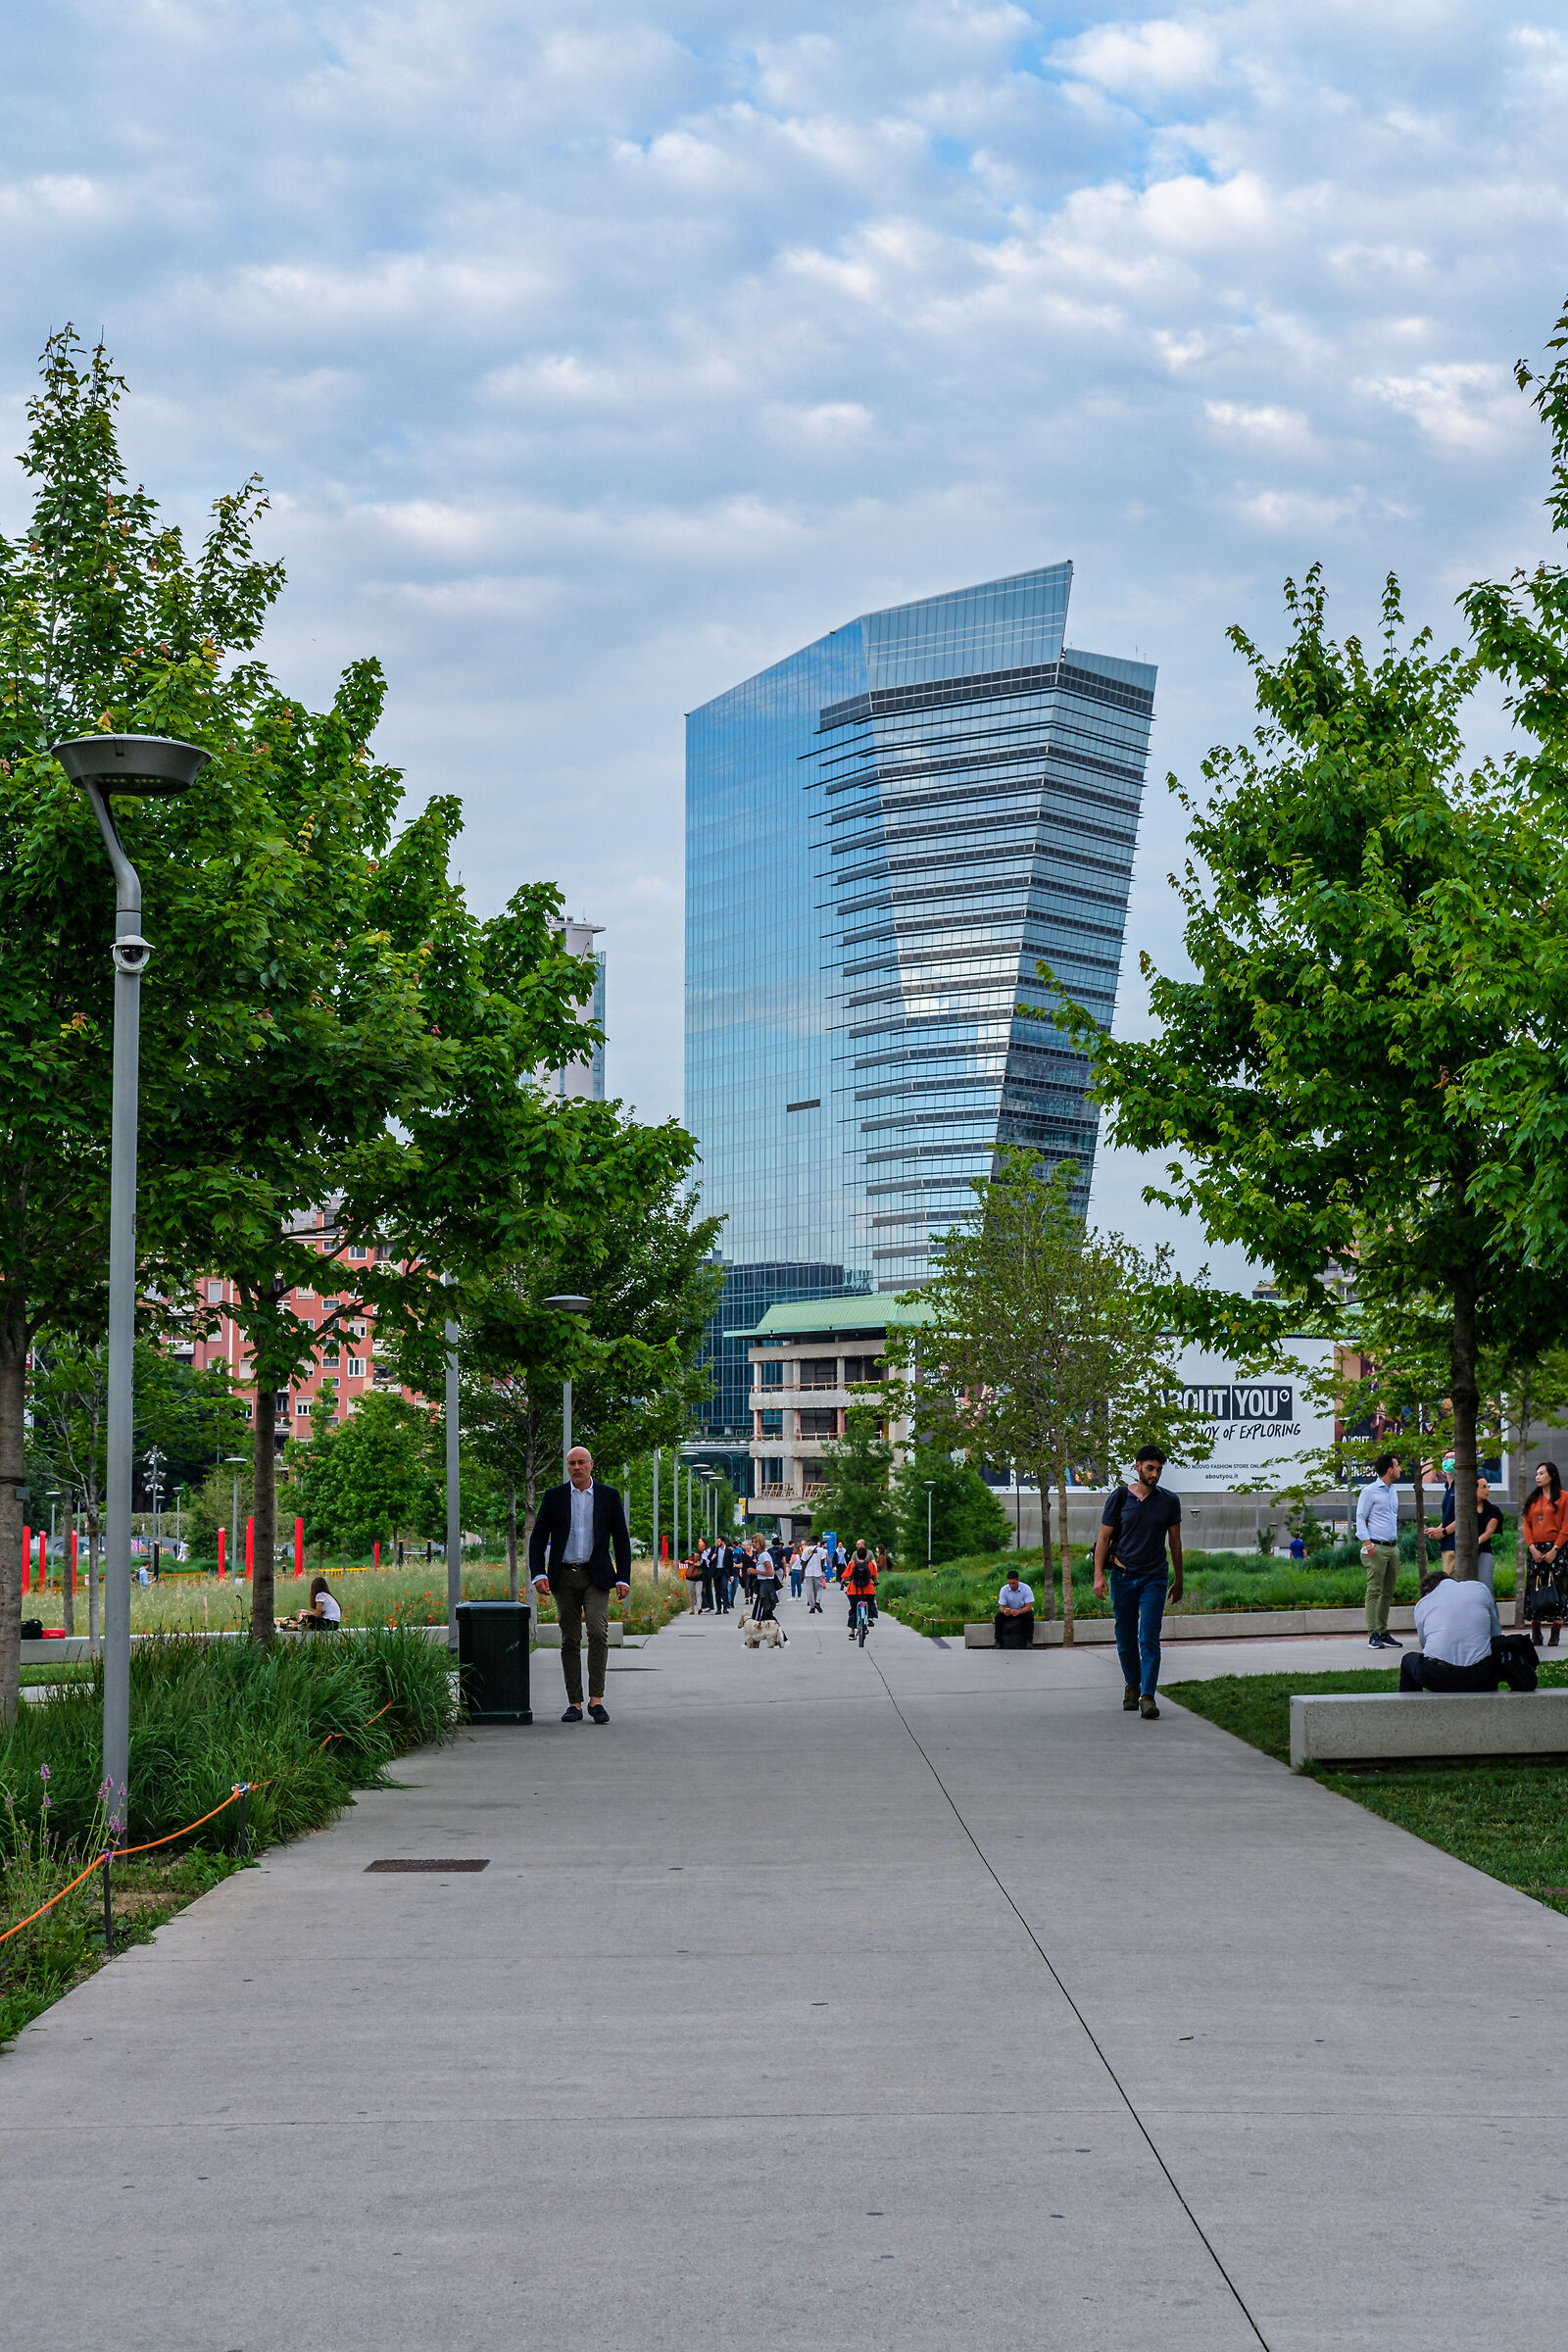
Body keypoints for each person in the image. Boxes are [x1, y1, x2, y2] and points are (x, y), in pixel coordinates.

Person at [528, 1445, 632, 1725]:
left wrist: (623, 1577)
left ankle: (596, 1699)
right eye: (571, 1463)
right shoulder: (554, 1498)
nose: (576, 1467)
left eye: (581, 1462)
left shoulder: (608, 1496)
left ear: (591, 1464)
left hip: (596, 1576)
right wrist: (538, 1573)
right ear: (567, 1466)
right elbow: (538, 1537)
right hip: (563, 1577)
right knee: (570, 1638)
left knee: (598, 1633)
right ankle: (574, 1702)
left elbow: (621, 1539)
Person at [1093, 1446, 1183, 1719]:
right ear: (1138, 1467)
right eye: (1150, 1468)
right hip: (1122, 1577)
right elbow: (1104, 1538)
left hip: (1154, 1577)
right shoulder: (1120, 1497)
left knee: (1149, 1637)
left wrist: (1179, 1578)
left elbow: (1175, 1542)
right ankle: (1131, 1684)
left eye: (1159, 1470)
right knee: (1125, 1637)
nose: (1155, 1474)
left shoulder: (1169, 1501)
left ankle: (1147, 1696)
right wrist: (1098, 1576)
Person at [1399, 1568, 1503, 1692]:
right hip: (1482, 1677)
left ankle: (1411, 1710)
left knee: (1408, 1660)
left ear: (1426, 1593)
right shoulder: (1480, 1588)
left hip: (1439, 1678)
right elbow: (1495, 1633)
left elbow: (1425, 1645)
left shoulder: (1423, 1604)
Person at [1355, 1450, 1403, 1650]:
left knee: (1388, 1592)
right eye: (1397, 1465)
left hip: (1393, 1548)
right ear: (1389, 1469)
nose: (1400, 1469)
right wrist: (1368, 1543)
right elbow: (1360, 1517)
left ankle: (1383, 1632)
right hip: (1376, 1547)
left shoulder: (1393, 1491)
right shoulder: (1370, 1491)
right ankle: (1373, 1634)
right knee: (1374, 1591)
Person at [1521, 1460, 1567, 1648]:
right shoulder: (1532, 1499)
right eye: (1536, 1473)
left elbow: (1566, 1525)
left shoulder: (1564, 1497)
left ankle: (1556, 1630)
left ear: (1552, 1475)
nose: (1537, 1477)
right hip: (1535, 1550)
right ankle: (1535, 1631)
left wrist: (1554, 1549)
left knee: (1559, 1589)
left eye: (1541, 1473)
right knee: (1535, 1589)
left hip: (1558, 1549)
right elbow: (1526, 1524)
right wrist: (1531, 1547)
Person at [842, 1541, 877, 1636]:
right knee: (871, 1603)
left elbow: (844, 1575)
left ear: (856, 1555)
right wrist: (876, 1581)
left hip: (853, 1591)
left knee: (853, 1609)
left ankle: (852, 1632)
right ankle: (870, 1617)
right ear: (866, 1555)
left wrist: (843, 1581)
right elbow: (874, 1575)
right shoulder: (870, 1565)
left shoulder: (851, 1565)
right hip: (868, 1591)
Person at [994, 1567, 1035, 1648]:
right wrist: (1005, 1611)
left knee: (1030, 1616)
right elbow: (1001, 1607)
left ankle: (1028, 1641)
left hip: (1022, 1612)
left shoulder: (1026, 1588)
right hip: (1010, 1613)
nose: (1011, 1586)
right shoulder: (1004, 1590)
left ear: (1018, 1580)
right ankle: (998, 1642)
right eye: (1009, 1583)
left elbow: (1029, 1606)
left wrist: (1018, 1612)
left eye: (1014, 1583)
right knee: (998, 1617)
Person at [800, 1538, 828, 1612]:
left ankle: (812, 1607)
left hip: (808, 1573)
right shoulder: (821, 1550)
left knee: (809, 1590)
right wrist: (822, 1571)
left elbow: (803, 1562)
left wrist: (802, 1573)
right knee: (819, 1588)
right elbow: (822, 1562)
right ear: (818, 1542)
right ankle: (817, 1602)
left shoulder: (806, 1550)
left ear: (810, 1541)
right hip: (818, 1572)